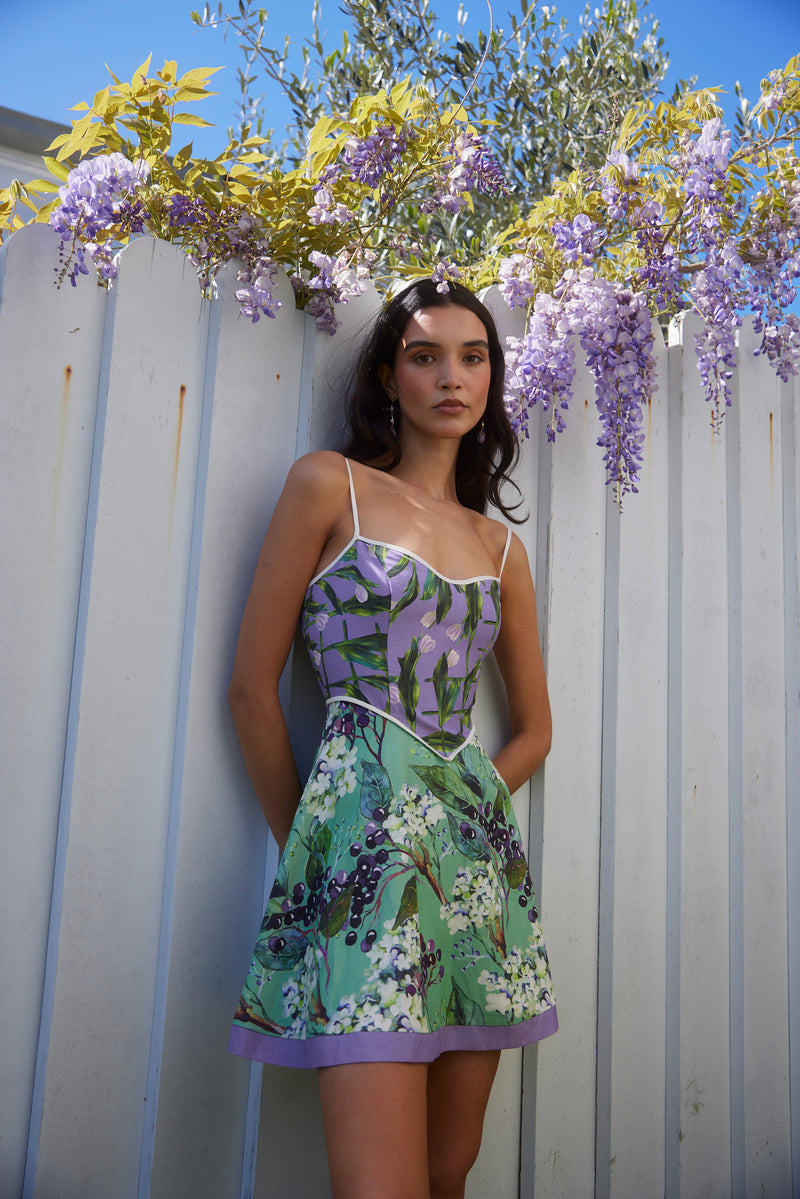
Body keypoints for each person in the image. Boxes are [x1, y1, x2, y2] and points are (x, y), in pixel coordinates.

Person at [227, 279, 557, 1199]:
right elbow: (250, 691)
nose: (452, 377)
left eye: (473, 357)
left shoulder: (501, 551)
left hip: (477, 881)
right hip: (361, 878)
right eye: (425, 356)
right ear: (387, 377)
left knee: (449, 1171)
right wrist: (323, 848)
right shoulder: (327, 486)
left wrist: (460, 810)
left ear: (490, 378)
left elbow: (536, 730)